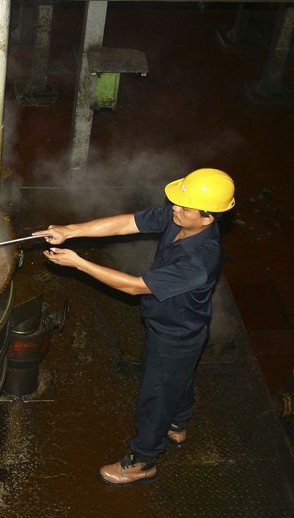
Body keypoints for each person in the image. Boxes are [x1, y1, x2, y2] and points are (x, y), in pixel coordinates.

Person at [33, 168, 236, 487]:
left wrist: (79, 263)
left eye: (184, 207)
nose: (174, 209)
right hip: (179, 325)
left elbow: (134, 287)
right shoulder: (180, 217)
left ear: (208, 218)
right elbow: (129, 222)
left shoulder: (198, 262)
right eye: (177, 203)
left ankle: (143, 460)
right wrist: (69, 231)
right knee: (177, 380)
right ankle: (178, 423)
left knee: (155, 395)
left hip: (174, 335)